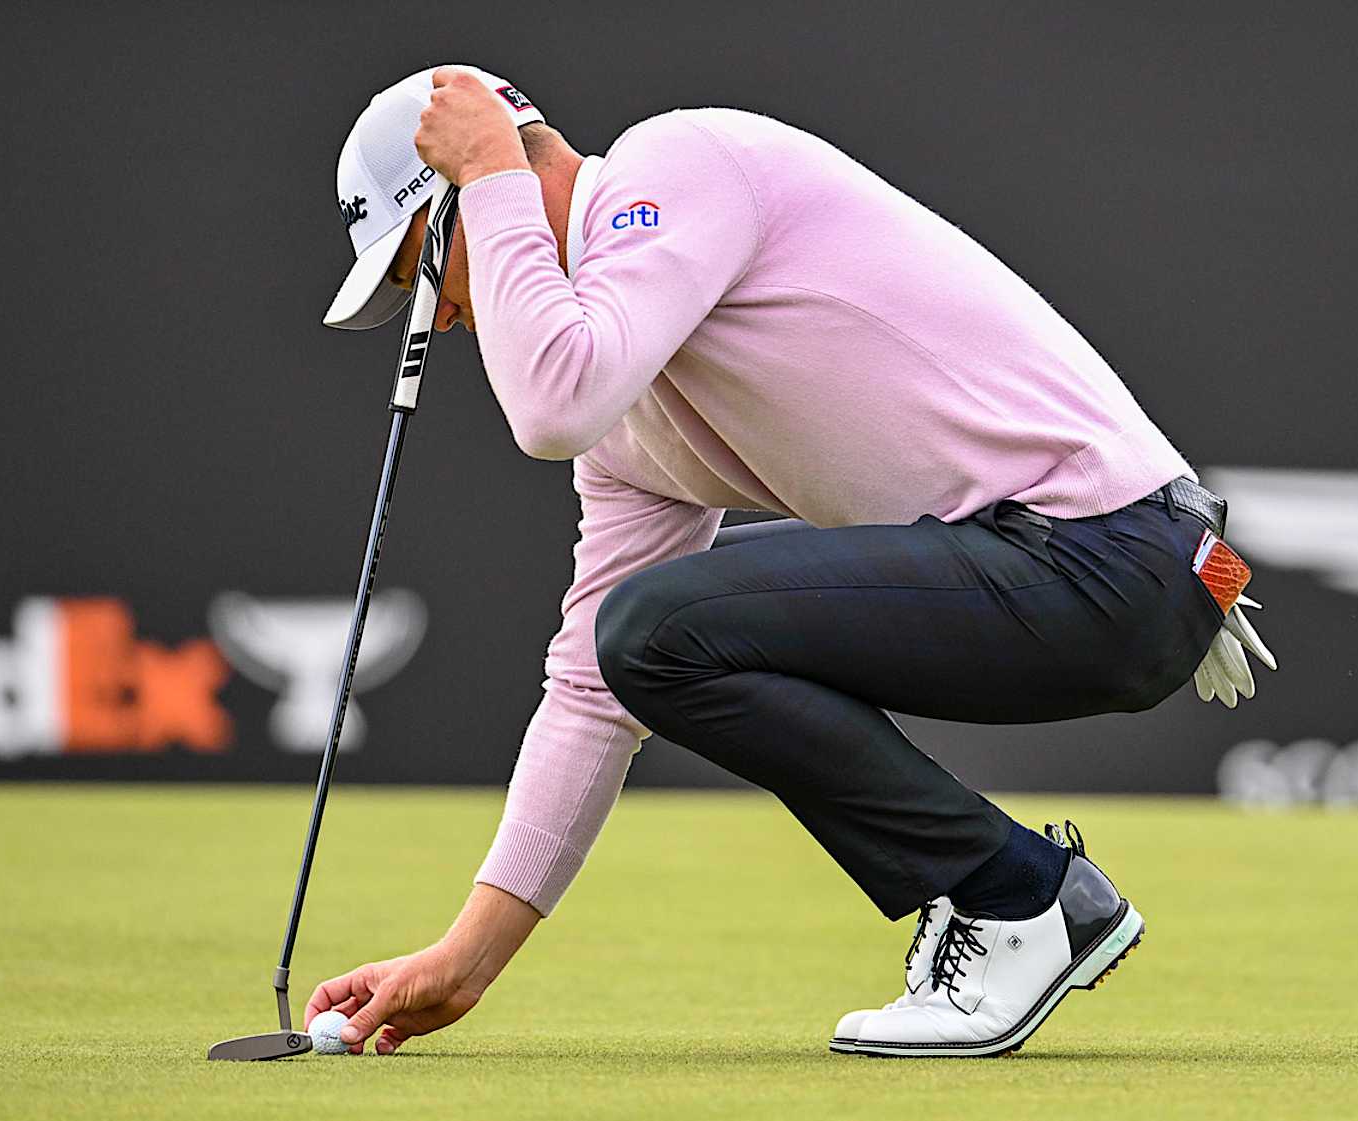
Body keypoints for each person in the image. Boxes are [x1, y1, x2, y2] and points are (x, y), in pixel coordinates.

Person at [306, 64, 1276, 1059]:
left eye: (417, 275)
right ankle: (1016, 892)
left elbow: (551, 404)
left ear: (470, 193)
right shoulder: (628, 421)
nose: (445, 319)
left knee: (655, 624)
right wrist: (466, 957)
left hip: (1116, 548)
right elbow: (598, 689)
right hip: (1098, 555)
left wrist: (493, 173)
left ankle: (1019, 901)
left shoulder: (676, 162)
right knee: (644, 636)